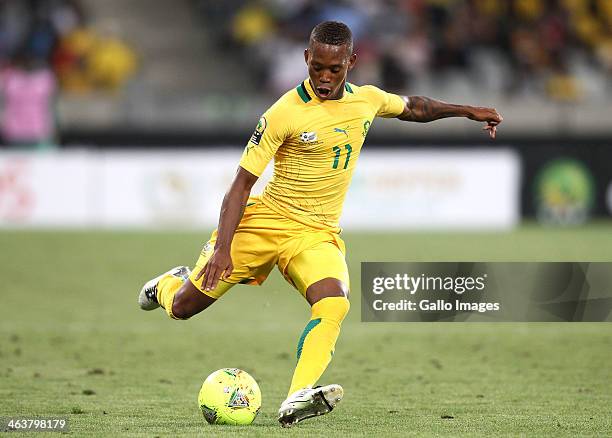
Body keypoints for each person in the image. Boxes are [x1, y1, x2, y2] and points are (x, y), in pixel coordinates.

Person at [138, 21, 502, 428]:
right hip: (264, 224)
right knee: (185, 308)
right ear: (307, 59)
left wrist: (468, 110)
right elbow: (240, 186)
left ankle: (296, 396)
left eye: (335, 70)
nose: (325, 78)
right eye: (318, 69)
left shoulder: (366, 99)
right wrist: (223, 248)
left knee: (334, 301)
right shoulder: (283, 113)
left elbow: (414, 107)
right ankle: (168, 284)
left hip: (315, 234)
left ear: (351, 61)